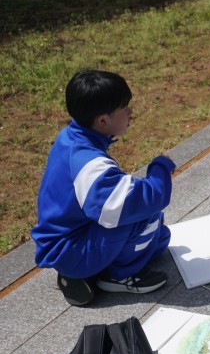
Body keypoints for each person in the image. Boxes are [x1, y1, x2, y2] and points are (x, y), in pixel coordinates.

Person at [31, 70, 176, 306]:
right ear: (102, 121)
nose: (130, 112)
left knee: (159, 239)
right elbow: (141, 200)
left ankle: (91, 272)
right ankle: (118, 277)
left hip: (71, 238)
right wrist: (161, 167)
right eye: (124, 108)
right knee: (145, 216)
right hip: (70, 250)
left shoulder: (72, 137)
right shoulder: (88, 162)